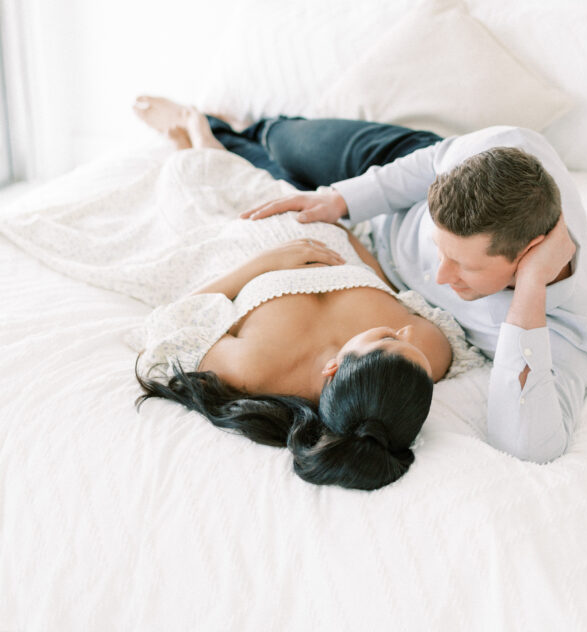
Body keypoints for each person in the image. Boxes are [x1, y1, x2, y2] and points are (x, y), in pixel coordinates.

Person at [134, 96, 587, 464]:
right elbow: (432, 163)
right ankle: (241, 128)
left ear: (529, 255)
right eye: (441, 249)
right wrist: (339, 201)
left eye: (465, 267)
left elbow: (529, 447)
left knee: (264, 173)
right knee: (287, 142)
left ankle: (208, 133)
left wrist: (530, 291)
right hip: (384, 193)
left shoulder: (571, 328)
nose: (441, 277)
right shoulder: (508, 149)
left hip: (356, 251)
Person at [131, 97, 485, 491]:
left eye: (388, 338)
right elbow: (390, 285)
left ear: (333, 367)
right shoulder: (423, 357)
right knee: (277, 157)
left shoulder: (254, 372)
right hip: (327, 216)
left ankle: (195, 130)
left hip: (247, 235)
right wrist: (349, 240)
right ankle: (219, 131)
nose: (405, 333)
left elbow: (171, 320)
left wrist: (265, 263)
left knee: (199, 175)